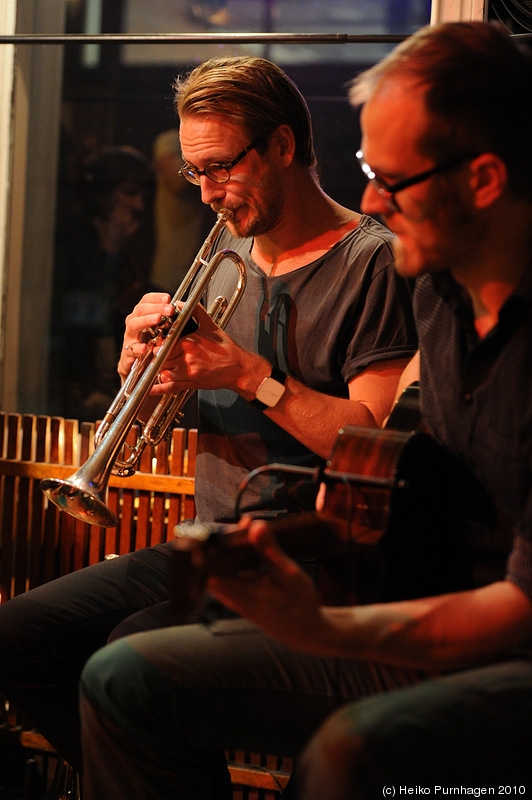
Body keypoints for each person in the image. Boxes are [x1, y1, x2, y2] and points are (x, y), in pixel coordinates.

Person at [75, 21, 532, 798]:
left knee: (343, 756)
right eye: (368, 169)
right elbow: (396, 479)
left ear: (484, 179)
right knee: (118, 672)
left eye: (395, 179)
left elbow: (516, 605)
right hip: (408, 600)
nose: (371, 201)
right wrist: (280, 536)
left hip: (493, 649)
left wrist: (319, 624)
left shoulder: (392, 277)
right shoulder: (446, 311)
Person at [0, 55, 415, 777]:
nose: (209, 194)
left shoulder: (370, 263)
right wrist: (142, 370)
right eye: (196, 174)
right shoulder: (227, 252)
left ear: (282, 146)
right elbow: (178, 401)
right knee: (17, 634)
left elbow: (372, 438)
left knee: (127, 654)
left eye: (222, 167)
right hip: (209, 544)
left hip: (310, 561)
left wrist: (252, 375)